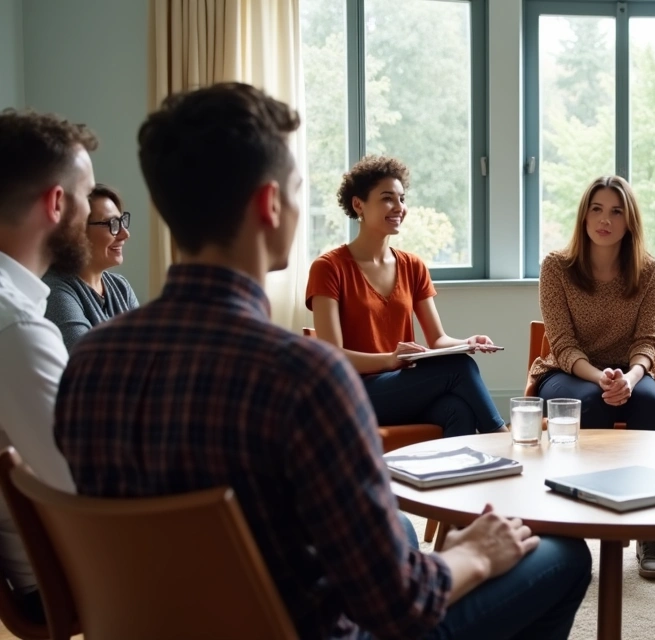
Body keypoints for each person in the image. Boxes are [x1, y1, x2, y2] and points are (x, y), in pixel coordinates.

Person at [55, 83, 591, 640]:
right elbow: (400, 604)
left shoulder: (89, 364)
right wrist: (472, 556)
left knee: (404, 536)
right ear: (269, 205)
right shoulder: (304, 378)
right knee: (563, 556)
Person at [306, 155, 506, 438]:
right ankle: (502, 440)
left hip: (400, 387)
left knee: (458, 409)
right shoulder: (328, 268)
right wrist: (389, 359)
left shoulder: (412, 266)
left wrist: (466, 342)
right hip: (351, 392)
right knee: (459, 368)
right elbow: (331, 355)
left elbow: (437, 339)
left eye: (402, 198)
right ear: (358, 204)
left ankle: (457, 480)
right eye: (388, 198)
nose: (399, 207)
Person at [530, 175, 655, 579]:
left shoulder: (648, 271)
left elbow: (649, 339)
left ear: (629, 222)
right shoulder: (556, 267)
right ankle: (578, 527)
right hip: (568, 370)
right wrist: (600, 377)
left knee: (645, 400)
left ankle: (647, 530)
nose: (604, 220)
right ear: (583, 216)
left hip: (630, 369)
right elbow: (562, 342)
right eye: (596, 209)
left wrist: (632, 374)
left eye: (615, 211)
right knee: (587, 403)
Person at [0, 108, 94, 622]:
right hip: (64, 573)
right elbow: (84, 483)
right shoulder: (13, 326)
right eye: (87, 196)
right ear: (57, 203)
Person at [43, 183, 139, 351]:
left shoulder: (121, 287)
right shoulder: (55, 291)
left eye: (122, 221)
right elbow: (85, 361)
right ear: (77, 231)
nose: (125, 234)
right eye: (112, 224)